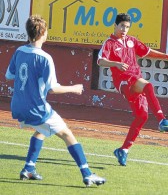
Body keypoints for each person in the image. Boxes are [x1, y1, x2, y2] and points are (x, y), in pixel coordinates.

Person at [5, 15, 106, 187]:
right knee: (67, 134)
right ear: (43, 33)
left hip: (17, 105)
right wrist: (74, 88)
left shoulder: (19, 51)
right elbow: (53, 88)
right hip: (36, 108)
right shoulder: (45, 58)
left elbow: (9, 75)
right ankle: (88, 174)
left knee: (42, 130)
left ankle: (28, 168)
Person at [97, 13, 168, 167]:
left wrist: (166, 56)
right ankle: (161, 120)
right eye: (122, 26)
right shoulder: (109, 43)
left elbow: (147, 51)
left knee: (142, 116)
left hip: (135, 80)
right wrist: (116, 64)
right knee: (148, 86)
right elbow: (100, 60)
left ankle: (123, 150)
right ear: (115, 25)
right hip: (124, 82)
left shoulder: (131, 41)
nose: (124, 29)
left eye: (127, 27)